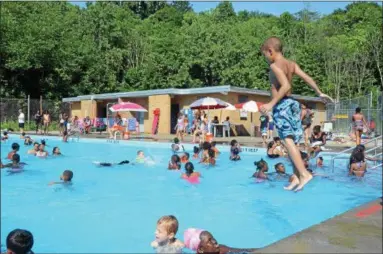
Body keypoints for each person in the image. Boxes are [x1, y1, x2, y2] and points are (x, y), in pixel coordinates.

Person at [260, 36, 333, 191]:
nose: (265, 58)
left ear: (270, 51)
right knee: (290, 143)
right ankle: (295, 177)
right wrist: (319, 92)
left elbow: (285, 86)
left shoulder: (274, 66)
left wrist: (271, 104)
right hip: (293, 105)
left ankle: (304, 174)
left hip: (282, 105)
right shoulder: (291, 64)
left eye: (265, 54)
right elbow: (307, 77)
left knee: (287, 142)